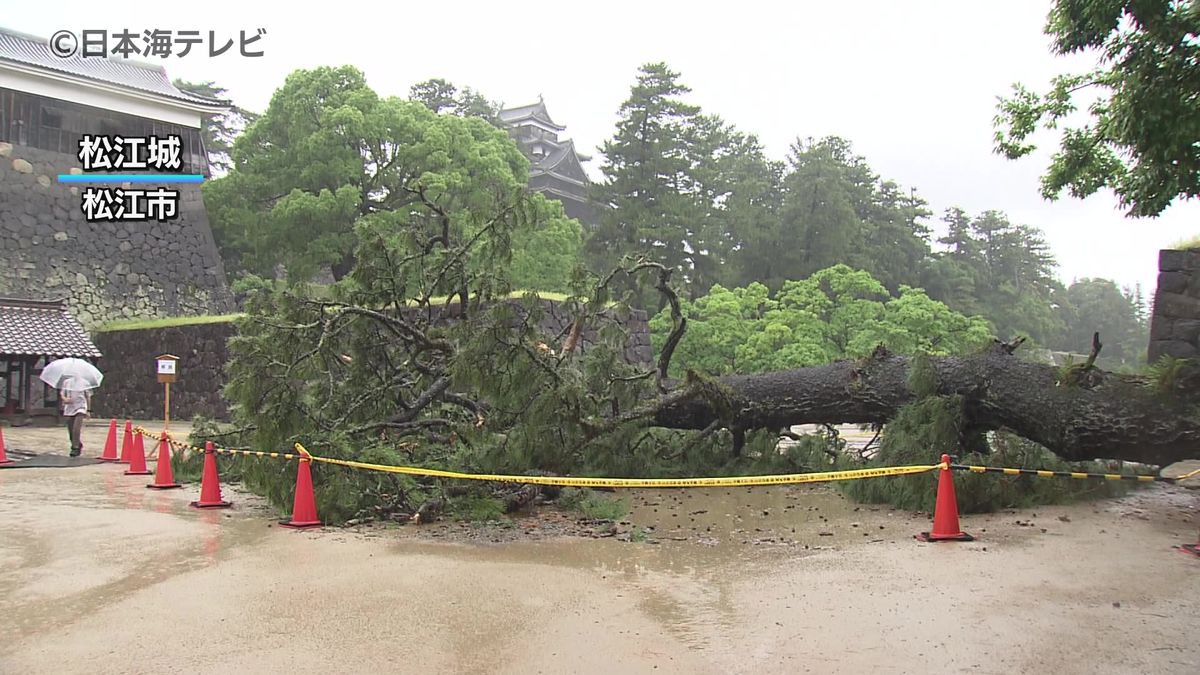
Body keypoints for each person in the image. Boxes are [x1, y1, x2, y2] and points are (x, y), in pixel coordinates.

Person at [60, 378, 91, 457]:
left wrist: (88, 410)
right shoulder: (66, 382)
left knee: (76, 429)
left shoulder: (85, 382)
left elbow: (88, 397)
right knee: (70, 429)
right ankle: (77, 443)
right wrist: (65, 399)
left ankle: (75, 448)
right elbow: (62, 393)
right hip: (69, 407)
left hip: (80, 407)